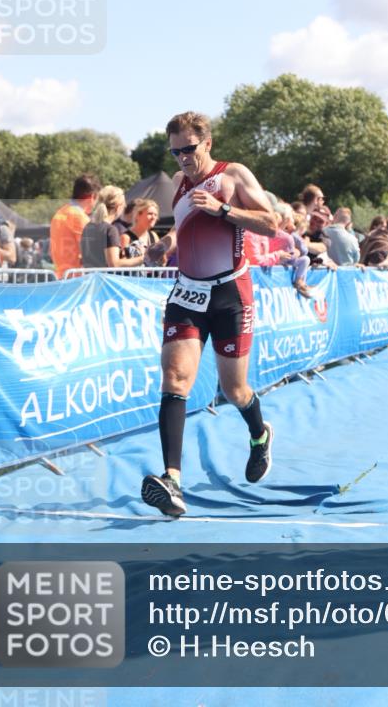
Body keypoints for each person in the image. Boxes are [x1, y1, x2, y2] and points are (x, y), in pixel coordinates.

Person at [141, 111, 278, 517]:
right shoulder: (180, 187)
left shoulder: (232, 175)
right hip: (187, 292)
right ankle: (173, 481)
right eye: (175, 152)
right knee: (174, 377)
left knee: (234, 389)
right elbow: (183, 228)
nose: (182, 157)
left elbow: (270, 223)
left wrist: (223, 210)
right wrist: (164, 244)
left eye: (189, 148)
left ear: (208, 143)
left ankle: (259, 434)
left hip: (230, 294)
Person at [80, 186, 147, 270]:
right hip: (105, 281)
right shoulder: (110, 230)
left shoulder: (88, 227)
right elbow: (114, 264)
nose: (125, 206)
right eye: (124, 204)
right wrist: (144, 258)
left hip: (90, 279)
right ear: (118, 207)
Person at [50, 174, 100, 279]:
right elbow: (91, 254)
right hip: (77, 280)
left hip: (61, 276)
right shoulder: (80, 218)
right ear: (92, 197)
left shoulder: (60, 212)